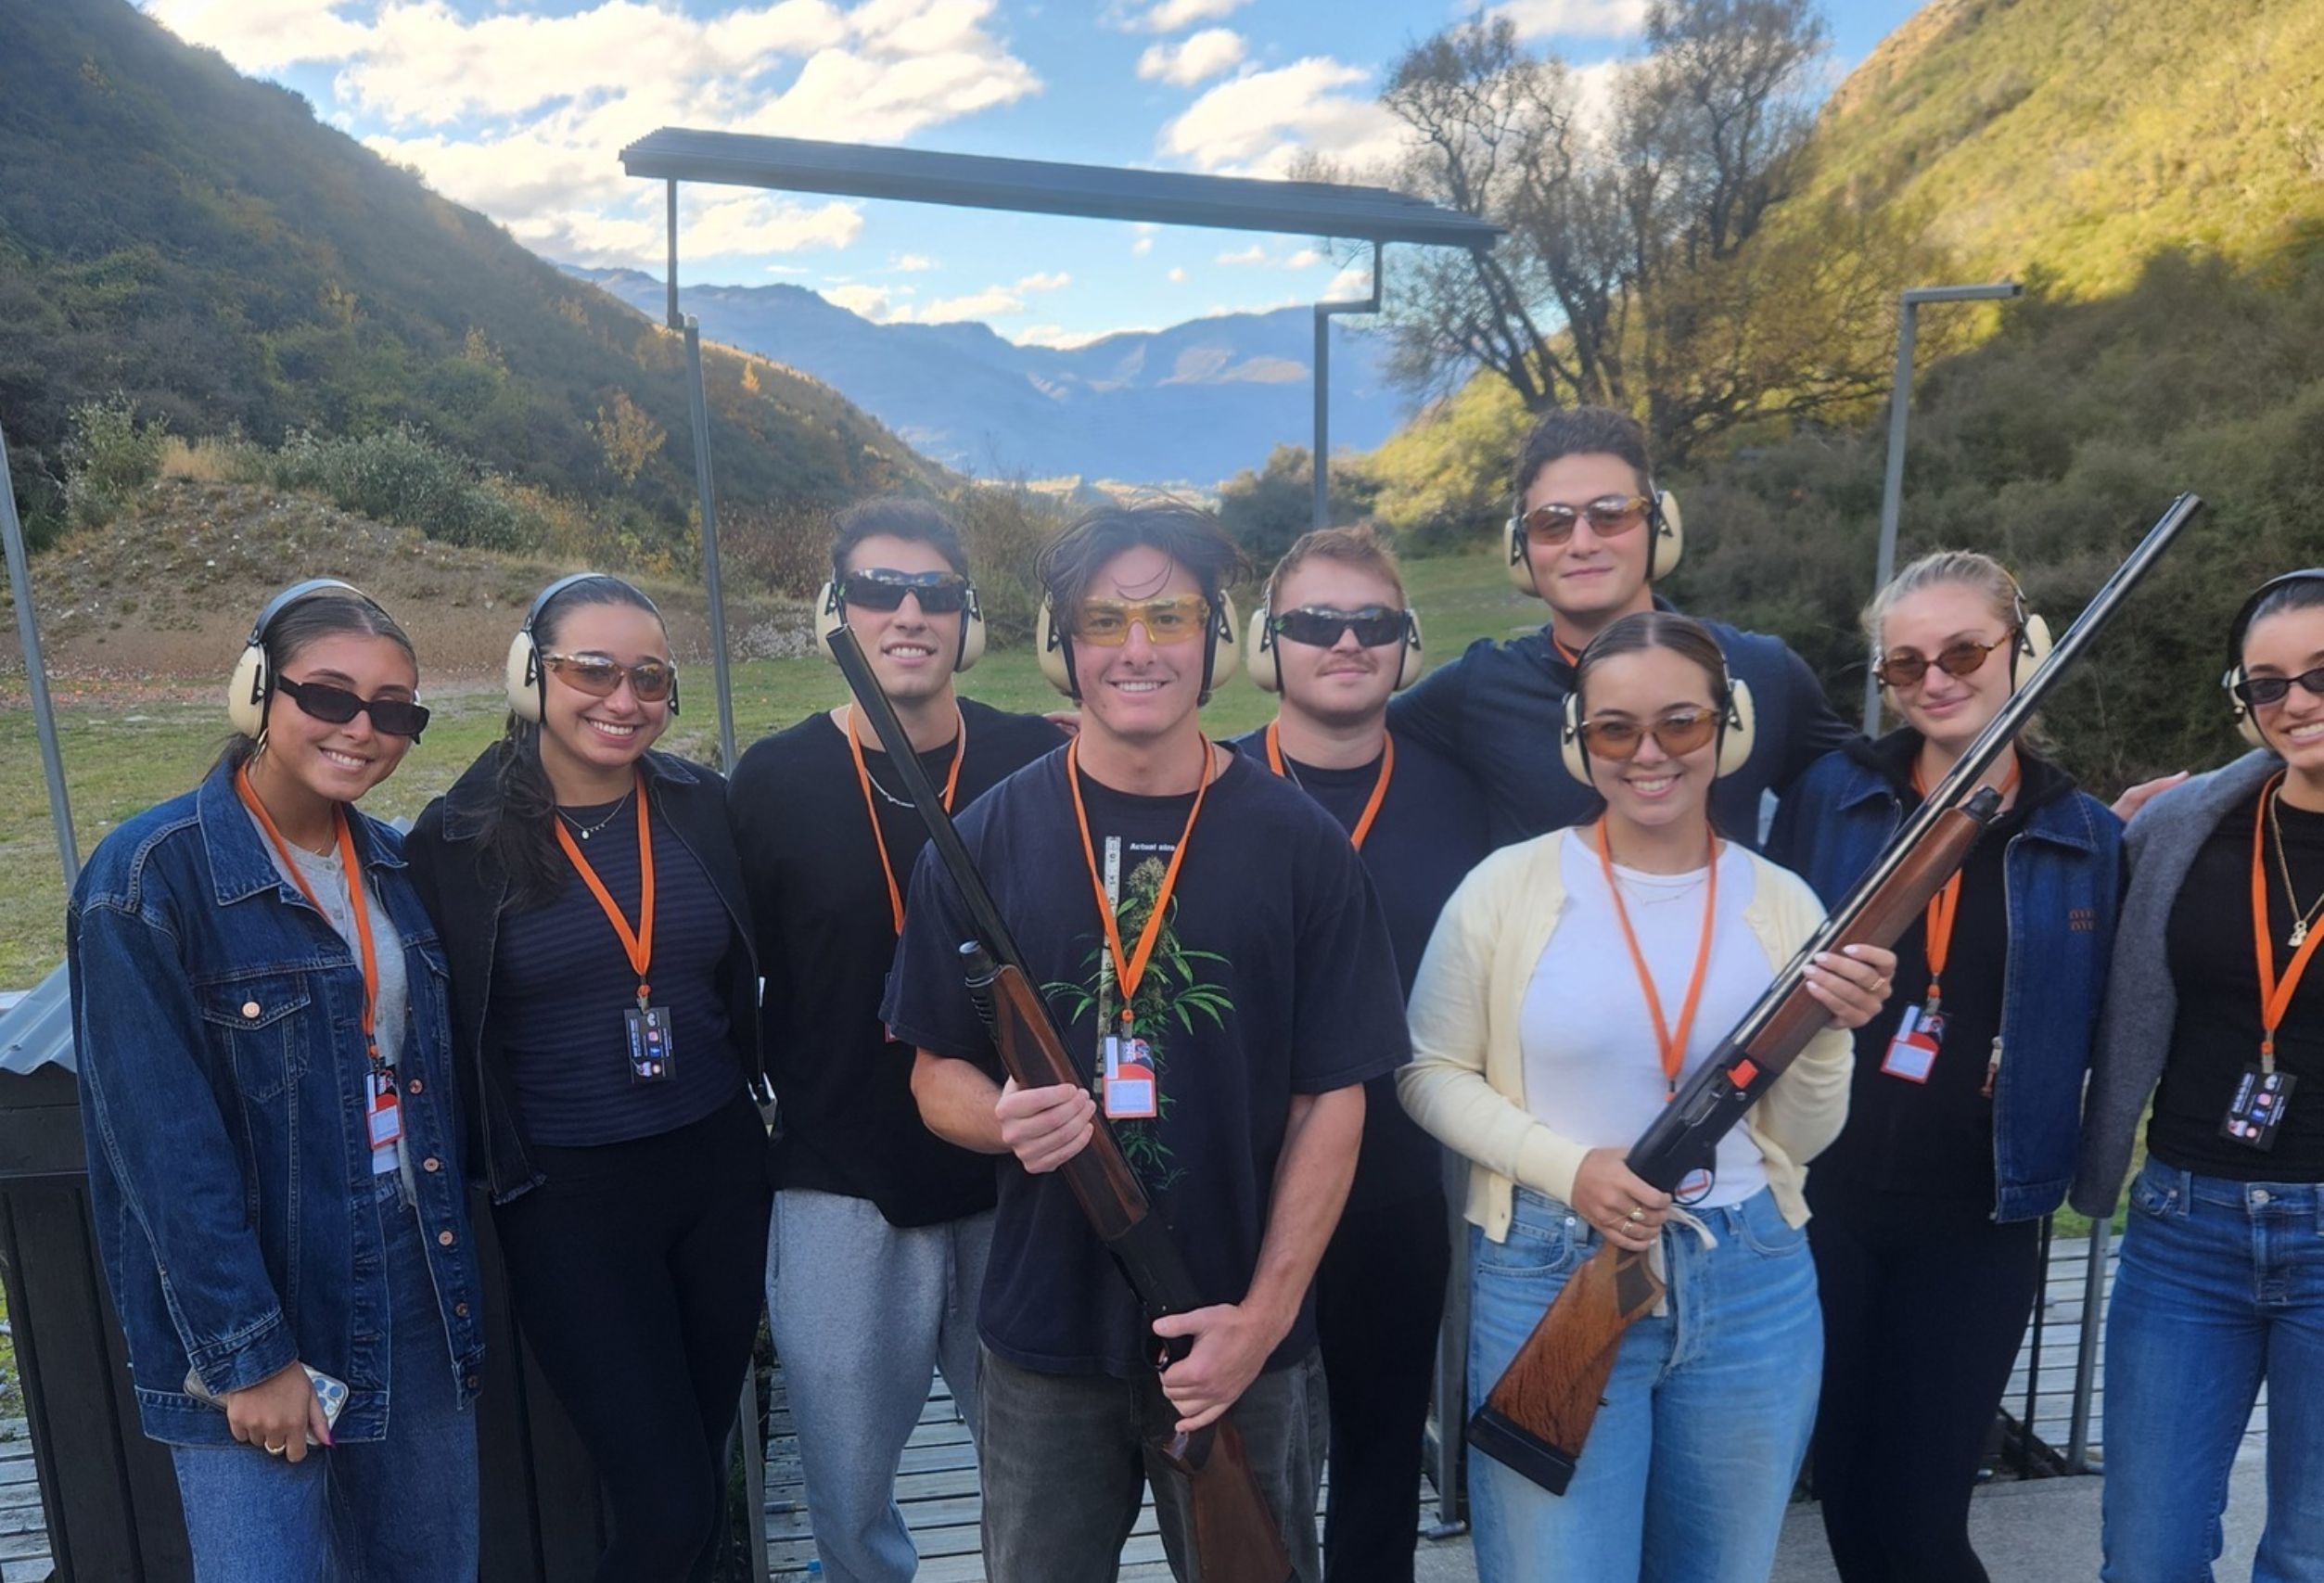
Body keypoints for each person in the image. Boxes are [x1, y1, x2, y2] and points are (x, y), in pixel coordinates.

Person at [884, 501, 1408, 1582]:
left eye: (1168, 616)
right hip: (1043, 1342)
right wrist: (1003, 1119)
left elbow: (1334, 1099)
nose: (1136, 648)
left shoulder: (1301, 849)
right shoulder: (982, 842)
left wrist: (1260, 1323)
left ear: (1217, 641)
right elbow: (935, 1069)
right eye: (1102, 619)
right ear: (1060, 647)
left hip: (1238, 1344)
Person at [1399, 610, 1896, 1583]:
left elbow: (1800, 1136)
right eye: (1615, 729)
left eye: (1679, 723)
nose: (1650, 753)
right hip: (1552, 1268)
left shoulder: (1784, 902)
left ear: (1729, 729)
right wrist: (1567, 1167)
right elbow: (1428, 1073)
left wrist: (1831, 1035)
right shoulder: (1506, 889)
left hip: (1750, 1276)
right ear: (1577, 743)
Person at [67, 580, 482, 1582]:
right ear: (256, 691)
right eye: (329, 697)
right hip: (255, 1288)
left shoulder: (394, 864)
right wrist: (248, 1353)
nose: (362, 729)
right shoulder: (145, 881)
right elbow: (165, 1156)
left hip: (411, 1263)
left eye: (394, 710)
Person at [403, 574, 770, 1583]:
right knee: (668, 1506)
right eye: (592, 670)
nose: (624, 698)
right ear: (533, 674)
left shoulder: (702, 806)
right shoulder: (457, 836)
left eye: (649, 677)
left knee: (701, 1469)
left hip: (717, 1174)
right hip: (567, 1198)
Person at [726, 499, 1063, 1583]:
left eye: (936, 594)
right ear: (839, 608)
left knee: (1041, 1472)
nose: (908, 612)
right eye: (878, 588)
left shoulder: (1030, 760)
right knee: (845, 1491)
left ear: (966, 619)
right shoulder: (771, 782)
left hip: (1013, 1171)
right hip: (837, 1176)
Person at [1769, 552, 2122, 1583]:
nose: (1936, 678)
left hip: (1981, 1214)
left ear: (2025, 650)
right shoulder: (1829, 798)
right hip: (1825, 1199)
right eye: (1904, 663)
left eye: (1964, 650)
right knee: (1852, 1498)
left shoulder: (2087, 835)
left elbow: (2112, 1009)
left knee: (1921, 1517)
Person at [1228, 524, 1488, 1583]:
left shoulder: (1465, 795)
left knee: (1382, 1455)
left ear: (1406, 645)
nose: (1345, 641)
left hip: (1395, 1182)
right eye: (1315, 622)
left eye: (1371, 623)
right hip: (1245, 1187)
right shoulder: (1209, 785)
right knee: (1252, 1456)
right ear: (1267, 645)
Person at [2072, 569, 2324, 1583]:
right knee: (2146, 1556)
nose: (2295, 702)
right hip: (2185, 1231)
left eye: (2318, 674)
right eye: (2266, 684)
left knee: (2310, 1556)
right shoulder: (2181, 828)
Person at [1388, 405, 1853, 848]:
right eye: (1552, 523)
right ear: (1520, 548)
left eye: (1611, 514)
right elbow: (1343, 751)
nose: (1583, 543)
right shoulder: (1477, 691)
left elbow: (1875, 795)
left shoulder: (1763, 671)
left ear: (1660, 527)